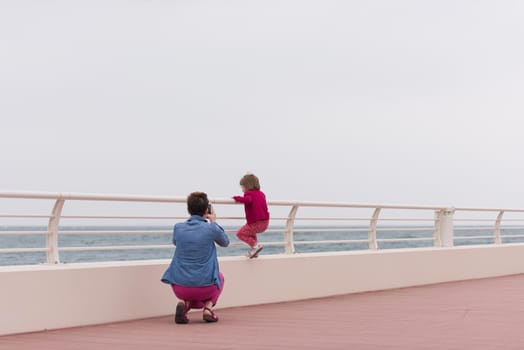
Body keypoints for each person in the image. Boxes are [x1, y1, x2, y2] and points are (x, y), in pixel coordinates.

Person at [161, 192, 229, 324]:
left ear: (188, 210)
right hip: (205, 287)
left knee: (191, 285)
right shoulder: (211, 228)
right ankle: (208, 309)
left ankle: (185, 303)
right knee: (219, 278)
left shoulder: (178, 227)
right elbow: (225, 242)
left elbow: (176, 242)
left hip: (179, 286)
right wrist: (213, 221)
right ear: (206, 210)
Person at [233, 173, 270, 258]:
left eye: (242, 187)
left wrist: (237, 198)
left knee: (240, 234)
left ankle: (256, 246)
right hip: (265, 222)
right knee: (251, 234)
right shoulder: (261, 194)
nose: (242, 189)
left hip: (255, 222)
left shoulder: (249, 193)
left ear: (246, 186)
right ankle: (255, 252)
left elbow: (248, 200)